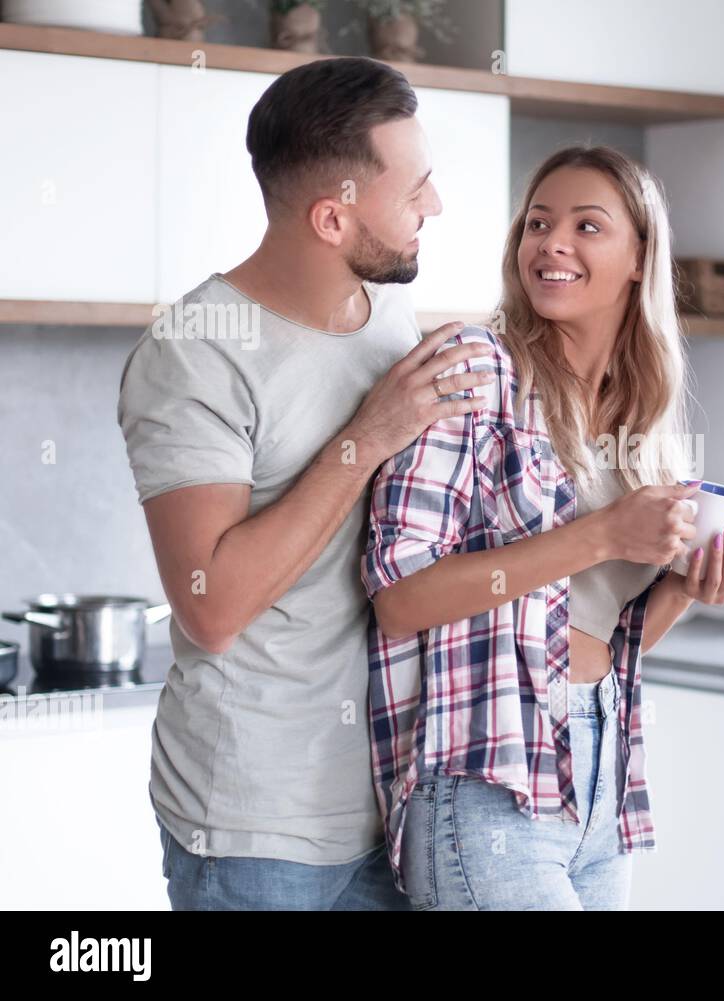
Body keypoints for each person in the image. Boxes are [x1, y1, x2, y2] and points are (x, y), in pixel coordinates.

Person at [117, 56, 497, 910]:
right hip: (253, 832)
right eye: (416, 189)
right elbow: (210, 606)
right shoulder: (195, 354)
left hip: (393, 803)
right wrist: (368, 436)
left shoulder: (390, 317)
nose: (433, 206)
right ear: (333, 217)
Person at [363, 145, 724, 910]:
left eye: (588, 226)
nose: (552, 242)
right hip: (489, 781)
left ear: (641, 257)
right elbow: (399, 596)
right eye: (539, 223)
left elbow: (601, 641)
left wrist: (683, 584)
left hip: (600, 776)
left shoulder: (639, 421)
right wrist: (605, 534)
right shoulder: (476, 371)